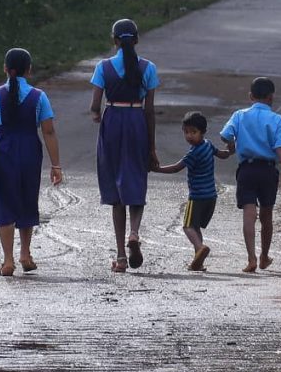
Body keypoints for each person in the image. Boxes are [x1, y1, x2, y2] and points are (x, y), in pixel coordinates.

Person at [0, 48, 62, 276]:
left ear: (5, 69)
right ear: (29, 70)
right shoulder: (39, 97)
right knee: (27, 198)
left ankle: (7, 261)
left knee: (4, 200)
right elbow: (49, 131)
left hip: (2, 151)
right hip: (29, 151)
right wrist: (56, 165)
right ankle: (25, 253)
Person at [89, 18, 160, 272]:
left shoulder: (103, 67)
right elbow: (150, 110)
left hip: (113, 123)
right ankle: (134, 232)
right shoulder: (148, 67)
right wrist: (151, 147)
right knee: (136, 179)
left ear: (114, 41)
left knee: (114, 187)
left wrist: (97, 115)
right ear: (137, 40)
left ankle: (120, 257)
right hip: (136, 120)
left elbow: (95, 105)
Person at [220, 77, 281, 273]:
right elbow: (280, 146)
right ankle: (264, 256)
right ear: (271, 97)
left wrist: (232, 146)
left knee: (249, 215)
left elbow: (225, 135)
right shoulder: (277, 119)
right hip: (268, 170)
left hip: (247, 170)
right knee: (266, 216)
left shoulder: (239, 115)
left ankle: (250, 257)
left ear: (250, 96)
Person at [153, 111, 232, 271]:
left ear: (202, 132)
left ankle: (200, 248)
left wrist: (156, 169)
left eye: (193, 132)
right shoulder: (209, 145)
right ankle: (198, 259)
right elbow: (222, 155)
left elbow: (176, 168)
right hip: (211, 196)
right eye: (186, 132)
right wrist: (231, 150)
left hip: (196, 197)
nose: (189, 136)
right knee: (195, 228)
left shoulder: (193, 153)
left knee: (188, 226)